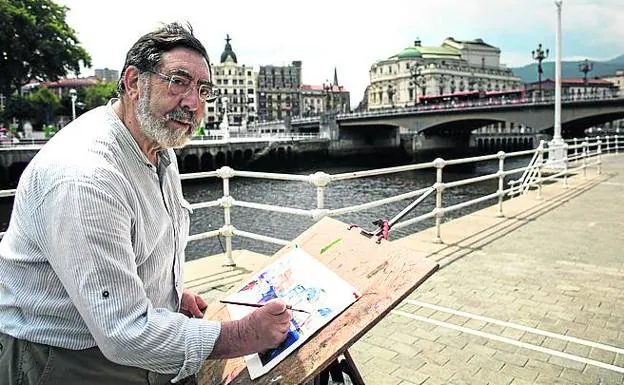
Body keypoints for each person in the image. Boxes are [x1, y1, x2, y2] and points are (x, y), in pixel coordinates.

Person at [0, 22, 292, 385]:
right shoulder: (85, 177)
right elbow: (123, 330)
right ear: (134, 82)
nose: (193, 103)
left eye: (203, 90)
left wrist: (166, 293)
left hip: (114, 343)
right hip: (67, 357)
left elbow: (130, 252)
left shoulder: (157, 148)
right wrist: (243, 335)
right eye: (179, 81)